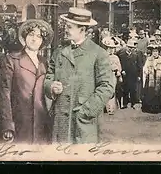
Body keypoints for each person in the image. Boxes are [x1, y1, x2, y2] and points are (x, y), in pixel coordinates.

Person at [45, 7, 116, 144]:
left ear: (82, 30)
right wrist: (51, 86)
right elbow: (49, 76)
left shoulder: (98, 53)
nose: (65, 29)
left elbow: (107, 87)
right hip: (60, 123)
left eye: (69, 27)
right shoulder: (59, 52)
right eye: (65, 25)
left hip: (84, 124)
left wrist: (86, 112)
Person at [0, 19, 53, 144]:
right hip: (19, 122)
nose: (34, 39)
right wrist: (7, 125)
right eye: (31, 34)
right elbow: (4, 94)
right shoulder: (12, 60)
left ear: (43, 41)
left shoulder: (44, 63)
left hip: (41, 123)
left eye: (39, 36)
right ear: (25, 37)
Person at [141, 43, 161, 114]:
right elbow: (145, 67)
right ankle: (150, 108)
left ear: (158, 52)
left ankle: (158, 108)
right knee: (150, 91)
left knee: (158, 92)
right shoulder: (149, 59)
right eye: (153, 52)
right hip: (151, 77)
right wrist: (146, 71)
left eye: (156, 51)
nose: (155, 53)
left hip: (159, 77)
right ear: (151, 52)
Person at [101, 36, 123, 115]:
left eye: (113, 48)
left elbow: (119, 66)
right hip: (106, 75)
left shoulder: (116, 57)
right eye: (110, 48)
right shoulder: (103, 56)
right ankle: (105, 107)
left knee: (112, 90)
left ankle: (111, 108)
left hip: (113, 75)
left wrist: (118, 72)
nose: (111, 50)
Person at [118, 38, 141, 109]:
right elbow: (120, 64)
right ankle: (125, 103)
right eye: (129, 47)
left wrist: (139, 75)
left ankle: (133, 103)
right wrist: (122, 70)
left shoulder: (135, 55)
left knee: (133, 89)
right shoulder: (122, 55)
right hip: (125, 74)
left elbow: (139, 65)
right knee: (125, 89)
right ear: (126, 47)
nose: (130, 49)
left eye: (132, 48)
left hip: (133, 74)